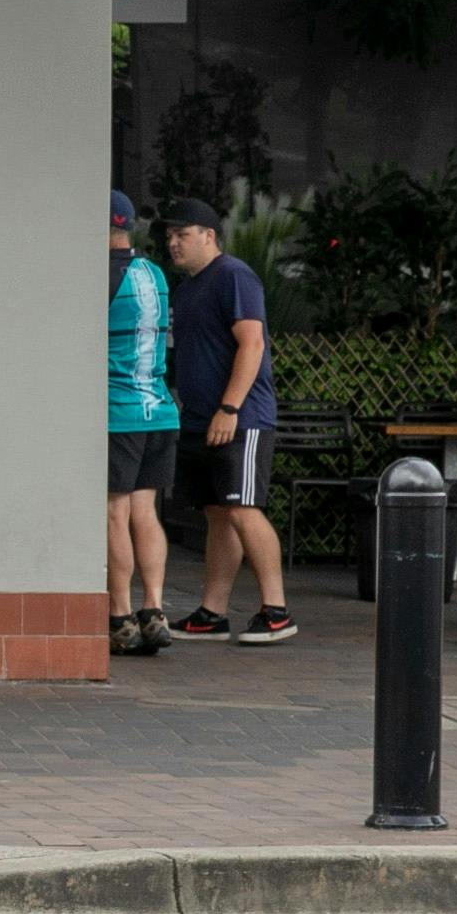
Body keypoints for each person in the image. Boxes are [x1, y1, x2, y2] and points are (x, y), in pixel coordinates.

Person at [160, 198, 295, 644]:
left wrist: (230, 408)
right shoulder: (187, 288)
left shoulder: (233, 275)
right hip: (199, 418)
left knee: (242, 507)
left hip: (241, 418)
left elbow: (251, 344)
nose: (173, 243)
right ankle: (212, 612)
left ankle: (276, 611)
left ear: (209, 236)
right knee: (218, 512)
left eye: (182, 234)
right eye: (169, 236)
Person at [105, 189, 175, 656]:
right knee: (145, 511)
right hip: (160, 410)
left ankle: (120, 616)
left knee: (115, 511)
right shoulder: (153, 273)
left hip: (119, 411)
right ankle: (154, 611)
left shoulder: (97, 277)